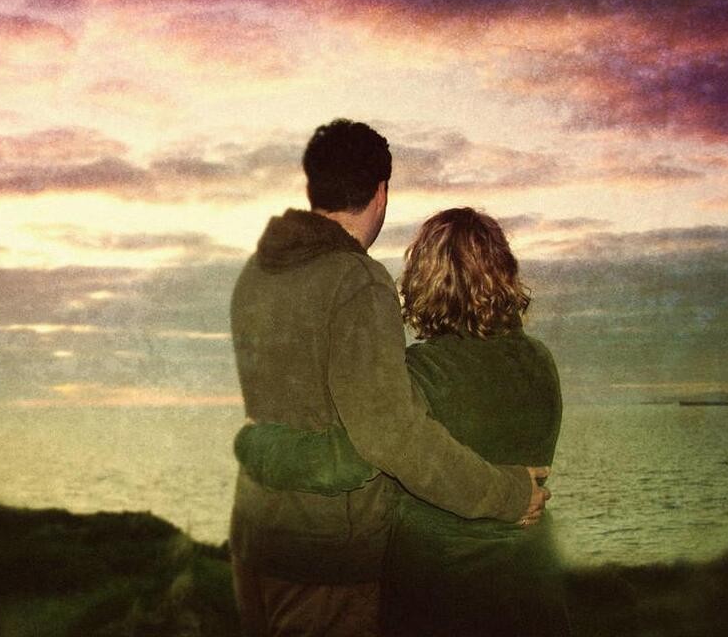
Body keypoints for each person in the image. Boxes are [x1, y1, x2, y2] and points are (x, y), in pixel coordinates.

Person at [228, 119, 550, 637]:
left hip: (254, 536)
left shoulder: (258, 274)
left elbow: (289, 410)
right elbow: (389, 433)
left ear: (314, 188)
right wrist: (510, 496)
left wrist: (258, 445)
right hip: (326, 557)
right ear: (381, 192)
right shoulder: (356, 279)